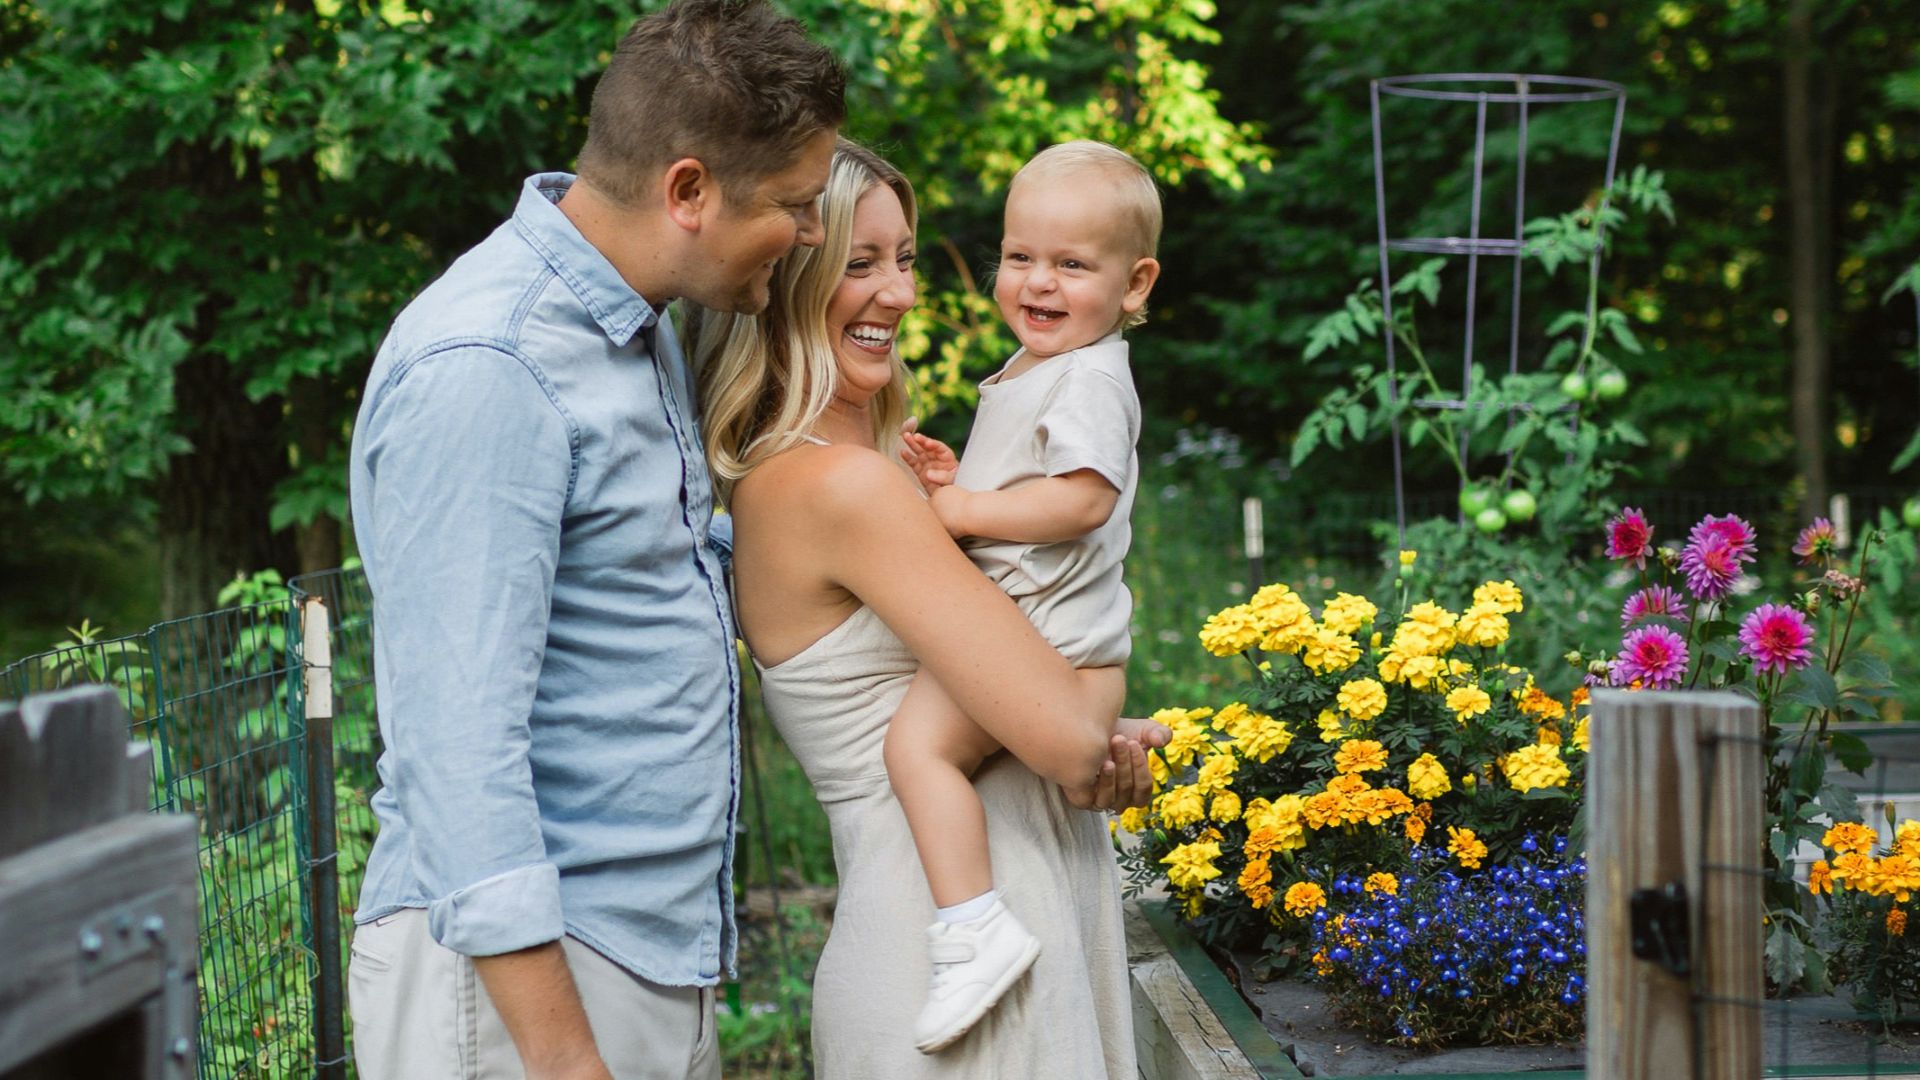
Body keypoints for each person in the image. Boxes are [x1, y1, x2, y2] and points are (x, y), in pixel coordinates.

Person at [342, 3, 844, 1078]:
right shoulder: (492, 366)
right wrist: (565, 1060)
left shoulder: (629, 326)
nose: (811, 234)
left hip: (623, 957)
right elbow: (457, 750)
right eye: (796, 206)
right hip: (522, 992)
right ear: (689, 191)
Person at [690, 138, 1162, 1079]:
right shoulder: (840, 488)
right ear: (783, 279)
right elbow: (1065, 740)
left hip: (997, 917)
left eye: (902, 259)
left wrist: (1087, 724)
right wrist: (1088, 730)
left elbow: (1018, 691)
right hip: (953, 952)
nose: (900, 294)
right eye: (858, 264)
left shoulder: (855, 475)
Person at [886, 139, 1161, 1051]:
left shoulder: (1086, 376)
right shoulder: (1047, 369)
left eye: (1073, 265)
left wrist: (963, 507)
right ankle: (1117, 734)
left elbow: (1082, 500)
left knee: (918, 750)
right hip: (1056, 641)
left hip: (1044, 639)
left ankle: (973, 927)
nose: (1039, 283)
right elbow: (1035, 482)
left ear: (1135, 284)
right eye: (1020, 257)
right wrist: (964, 477)